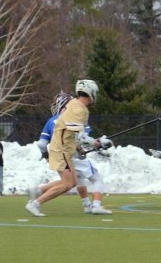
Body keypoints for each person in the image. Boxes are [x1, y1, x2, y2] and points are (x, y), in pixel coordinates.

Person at [25, 79, 101, 217]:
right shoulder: (77, 111)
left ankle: (37, 194)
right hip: (62, 152)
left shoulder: (67, 112)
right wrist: (97, 143)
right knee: (68, 183)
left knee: (72, 182)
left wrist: (48, 155)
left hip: (63, 151)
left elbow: (71, 136)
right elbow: (82, 137)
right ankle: (35, 203)